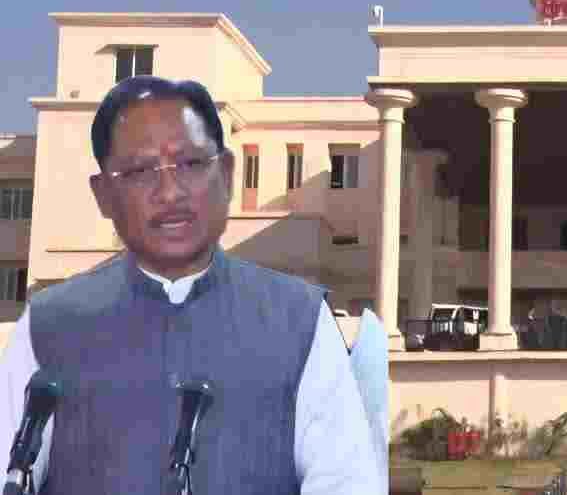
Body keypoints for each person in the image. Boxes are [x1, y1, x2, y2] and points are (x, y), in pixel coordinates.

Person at [0, 76, 384, 494]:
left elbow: (346, 481)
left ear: (227, 174)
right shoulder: (50, 324)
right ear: (103, 194)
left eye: (191, 164)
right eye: (140, 171)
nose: (170, 192)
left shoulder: (300, 321)